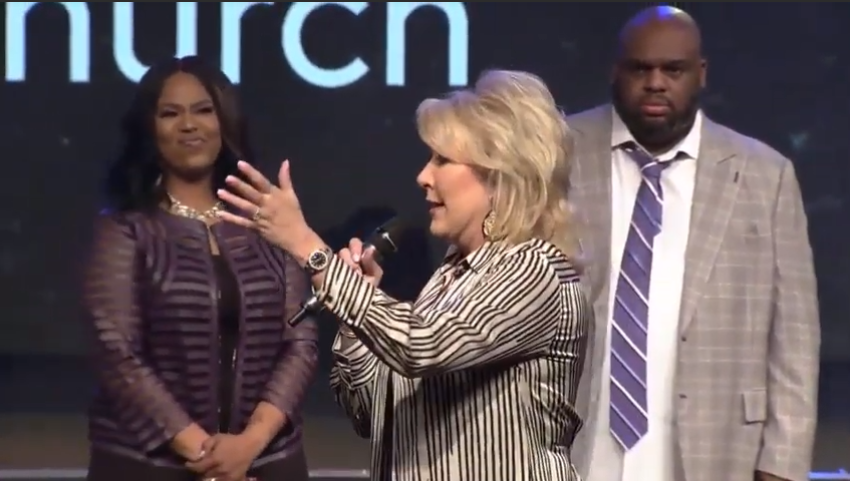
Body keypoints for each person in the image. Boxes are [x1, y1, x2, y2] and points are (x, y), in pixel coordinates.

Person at [215, 70, 591, 481]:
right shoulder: (449, 278)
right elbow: (372, 415)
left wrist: (308, 246)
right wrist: (354, 315)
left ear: (500, 177)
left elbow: (421, 346)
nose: (423, 177)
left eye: (443, 160)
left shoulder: (534, 271)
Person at [565, 6, 820, 481]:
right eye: (641, 68)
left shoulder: (765, 176)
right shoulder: (558, 153)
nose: (656, 82)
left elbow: (796, 338)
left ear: (700, 75)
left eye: (673, 70)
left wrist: (782, 464)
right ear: (615, 71)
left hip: (716, 447)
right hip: (575, 443)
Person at [82, 55, 317, 481]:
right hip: (151, 466)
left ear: (224, 121)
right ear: (149, 129)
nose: (189, 125)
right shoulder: (124, 228)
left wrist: (249, 445)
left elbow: (300, 342)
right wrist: (209, 457)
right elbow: (117, 353)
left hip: (266, 461)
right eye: (170, 113)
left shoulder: (267, 221)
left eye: (203, 110)